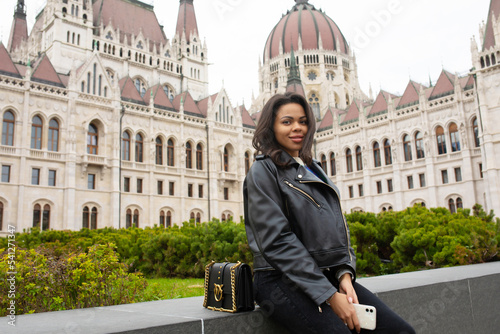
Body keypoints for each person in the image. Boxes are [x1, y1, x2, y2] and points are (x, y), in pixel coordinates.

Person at [243, 92, 415, 334]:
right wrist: (329, 295)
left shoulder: (313, 169)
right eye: (287, 122)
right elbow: (277, 242)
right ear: (271, 127)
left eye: (303, 121)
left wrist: (344, 274)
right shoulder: (263, 171)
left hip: (326, 276)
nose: (297, 128)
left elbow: (336, 230)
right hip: (279, 281)